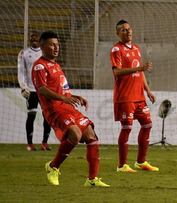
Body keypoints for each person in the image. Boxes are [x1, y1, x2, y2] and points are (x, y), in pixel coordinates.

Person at [32, 31, 109, 187]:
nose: (56, 48)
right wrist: (63, 98)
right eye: (52, 44)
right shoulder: (40, 66)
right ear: (42, 46)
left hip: (67, 106)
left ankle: (92, 180)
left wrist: (75, 96)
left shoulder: (56, 65)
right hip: (54, 109)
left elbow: (63, 90)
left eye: (57, 44)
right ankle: (53, 167)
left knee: (91, 136)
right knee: (75, 134)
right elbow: (42, 89)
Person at [110, 20, 158, 173]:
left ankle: (140, 161)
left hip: (139, 96)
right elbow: (116, 72)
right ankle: (122, 165)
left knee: (147, 124)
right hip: (125, 97)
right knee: (127, 128)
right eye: (123, 30)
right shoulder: (116, 50)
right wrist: (139, 67)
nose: (128, 32)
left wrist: (148, 90)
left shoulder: (136, 48)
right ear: (118, 33)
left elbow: (140, 72)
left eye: (129, 29)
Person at [17, 31, 51, 151]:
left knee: (47, 116)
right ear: (30, 39)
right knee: (31, 115)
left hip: (44, 90)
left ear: (40, 39)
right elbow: (21, 72)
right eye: (32, 37)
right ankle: (30, 144)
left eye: (36, 37)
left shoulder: (45, 52)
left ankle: (44, 143)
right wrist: (23, 87)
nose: (34, 39)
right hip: (31, 90)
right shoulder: (24, 53)